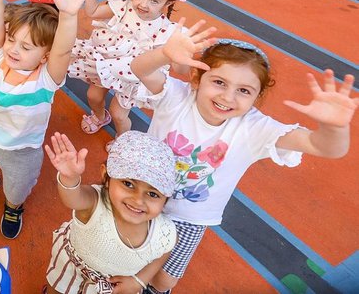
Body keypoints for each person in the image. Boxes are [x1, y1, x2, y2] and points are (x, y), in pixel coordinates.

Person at [130, 24, 356, 293]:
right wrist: (164, 54)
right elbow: (139, 68)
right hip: (138, 197)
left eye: (244, 91)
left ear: (257, 97)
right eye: (219, 82)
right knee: (126, 254)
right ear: (196, 79)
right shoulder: (176, 97)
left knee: (164, 278)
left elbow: (323, 147)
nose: (227, 97)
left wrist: (335, 128)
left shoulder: (254, 128)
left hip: (190, 219)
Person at [0, 0, 96, 239]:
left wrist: (68, 15)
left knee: (17, 188)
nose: (13, 48)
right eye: (13, 40)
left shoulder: (46, 80)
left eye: (26, 48)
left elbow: (62, 47)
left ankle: (13, 206)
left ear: (44, 57)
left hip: (23, 150)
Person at [43, 131, 177, 294]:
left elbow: (165, 250)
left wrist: (139, 281)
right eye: (128, 184)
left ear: (165, 199)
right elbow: (73, 199)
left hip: (113, 287)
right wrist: (70, 178)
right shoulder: (94, 203)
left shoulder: (164, 232)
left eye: (153, 194)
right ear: (106, 175)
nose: (138, 200)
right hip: (72, 269)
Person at [72, 0, 187, 138]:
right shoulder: (123, 6)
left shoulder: (167, 30)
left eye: (154, 0)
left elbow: (179, 68)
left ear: (169, 2)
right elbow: (92, 12)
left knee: (119, 114)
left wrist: (182, 53)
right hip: (108, 62)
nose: (143, 4)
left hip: (134, 76)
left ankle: (122, 138)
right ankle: (100, 117)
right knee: (94, 96)